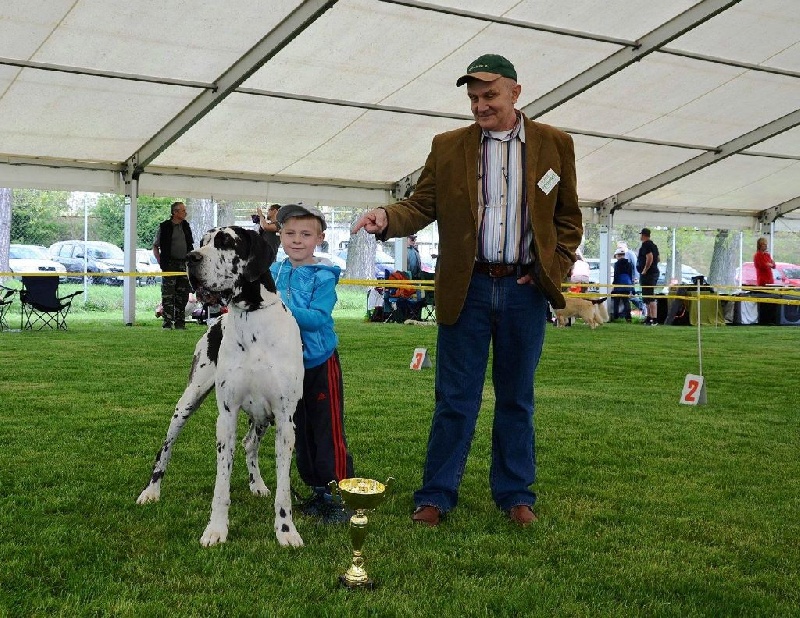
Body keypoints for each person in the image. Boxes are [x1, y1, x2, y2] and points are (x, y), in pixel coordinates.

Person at [352, 54, 582, 527]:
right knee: (455, 397)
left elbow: (568, 218)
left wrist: (550, 272)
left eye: (489, 96)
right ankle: (435, 496)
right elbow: (422, 204)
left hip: (524, 289)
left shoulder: (555, 144)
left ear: (515, 93)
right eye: (474, 98)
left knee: (517, 397)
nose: (480, 106)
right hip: (467, 287)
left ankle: (516, 494)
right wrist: (388, 219)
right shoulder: (448, 145)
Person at [270, 203, 354, 524]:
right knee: (300, 429)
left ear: (320, 237)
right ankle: (318, 491)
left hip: (320, 362)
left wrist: (280, 307)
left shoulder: (324, 276)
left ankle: (341, 493)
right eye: (289, 233)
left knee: (327, 428)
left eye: (305, 234)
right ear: (280, 236)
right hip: (287, 365)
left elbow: (318, 318)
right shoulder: (273, 272)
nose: (296, 240)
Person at [153, 201, 194, 330]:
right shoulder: (165, 227)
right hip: (169, 264)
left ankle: (180, 323)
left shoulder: (186, 226)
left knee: (183, 294)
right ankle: (167, 323)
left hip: (184, 264)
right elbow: (155, 246)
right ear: (175, 212)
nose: (185, 213)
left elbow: (190, 245)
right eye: (182, 211)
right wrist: (161, 262)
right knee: (168, 295)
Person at [636, 228, 660, 326]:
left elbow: (650, 257)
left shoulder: (646, 245)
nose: (640, 236)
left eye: (641, 235)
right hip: (652, 273)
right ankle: (649, 317)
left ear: (644, 235)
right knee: (646, 297)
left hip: (648, 275)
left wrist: (645, 270)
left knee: (650, 297)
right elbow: (658, 259)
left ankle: (654, 319)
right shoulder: (654, 245)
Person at [612, 248, 634, 321]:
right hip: (627, 285)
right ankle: (628, 317)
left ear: (618, 255)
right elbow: (631, 276)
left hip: (619, 284)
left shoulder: (617, 264)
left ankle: (615, 317)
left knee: (616, 301)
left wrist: (613, 285)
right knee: (626, 301)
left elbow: (616, 275)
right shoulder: (629, 264)